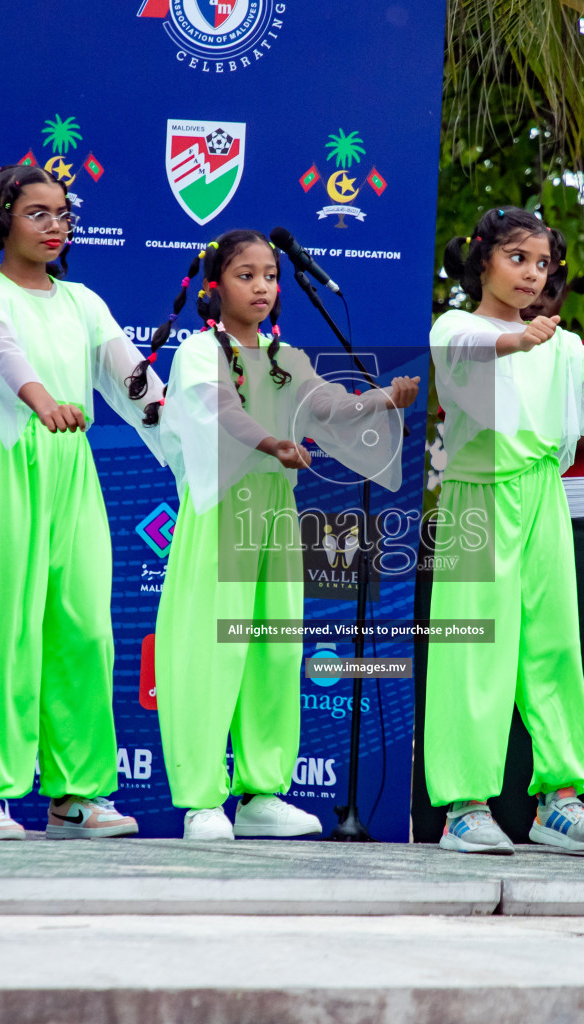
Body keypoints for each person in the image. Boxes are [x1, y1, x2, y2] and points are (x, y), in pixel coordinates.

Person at [131, 230, 418, 840]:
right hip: (220, 513)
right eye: (246, 275)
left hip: (275, 516)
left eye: (270, 276)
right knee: (212, 652)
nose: (262, 286)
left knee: (275, 649)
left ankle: (261, 792)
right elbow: (222, 412)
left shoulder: (287, 359)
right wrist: (273, 441)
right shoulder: (197, 351)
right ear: (215, 287)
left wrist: (381, 400)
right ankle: (203, 799)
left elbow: (330, 407)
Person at [426, 206, 584, 855]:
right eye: (518, 258)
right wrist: (517, 340)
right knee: (473, 652)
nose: (532, 273)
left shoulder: (562, 347)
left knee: (553, 647)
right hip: (478, 496)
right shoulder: (457, 326)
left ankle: (559, 801)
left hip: (544, 496)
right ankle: (465, 806)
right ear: (482, 257)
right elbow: (468, 354)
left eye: (542, 263)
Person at [0, 164, 166, 840]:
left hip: (73, 469)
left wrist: (190, 427)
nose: (55, 226)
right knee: (1, 628)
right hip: (5, 465)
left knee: (83, 629)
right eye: (38, 213)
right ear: (2, 218)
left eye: (63, 214)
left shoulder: (83, 303)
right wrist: (43, 402)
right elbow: (0, 355)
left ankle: (76, 794)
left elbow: (134, 381)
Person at [522, 264, 584, 476]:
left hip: (572, 497)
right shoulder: (487, 346)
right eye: (528, 290)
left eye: (549, 292)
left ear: (565, 294)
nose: (536, 302)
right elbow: (467, 424)